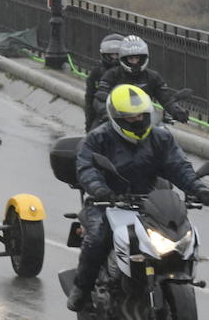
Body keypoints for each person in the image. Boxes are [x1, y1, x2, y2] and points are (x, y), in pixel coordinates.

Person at [66, 84, 209, 311]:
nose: (137, 120)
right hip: (107, 202)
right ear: (116, 117)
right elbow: (87, 168)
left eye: (141, 115)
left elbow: (178, 166)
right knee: (98, 237)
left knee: (180, 235)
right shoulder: (98, 138)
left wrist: (199, 190)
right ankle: (81, 289)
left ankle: (178, 275)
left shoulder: (160, 137)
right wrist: (99, 189)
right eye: (130, 118)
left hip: (151, 203)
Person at [94, 36, 189, 123]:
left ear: (143, 58)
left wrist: (178, 112)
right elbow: (100, 97)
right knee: (96, 135)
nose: (134, 62)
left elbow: (166, 99)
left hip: (146, 121)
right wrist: (105, 113)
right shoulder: (111, 75)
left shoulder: (153, 77)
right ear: (124, 59)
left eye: (137, 58)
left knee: (165, 137)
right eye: (131, 58)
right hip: (117, 121)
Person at [85, 34, 125, 131]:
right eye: (112, 55)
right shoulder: (97, 71)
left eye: (118, 55)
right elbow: (90, 98)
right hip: (104, 114)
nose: (115, 58)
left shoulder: (129, 72)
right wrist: (89, 124)